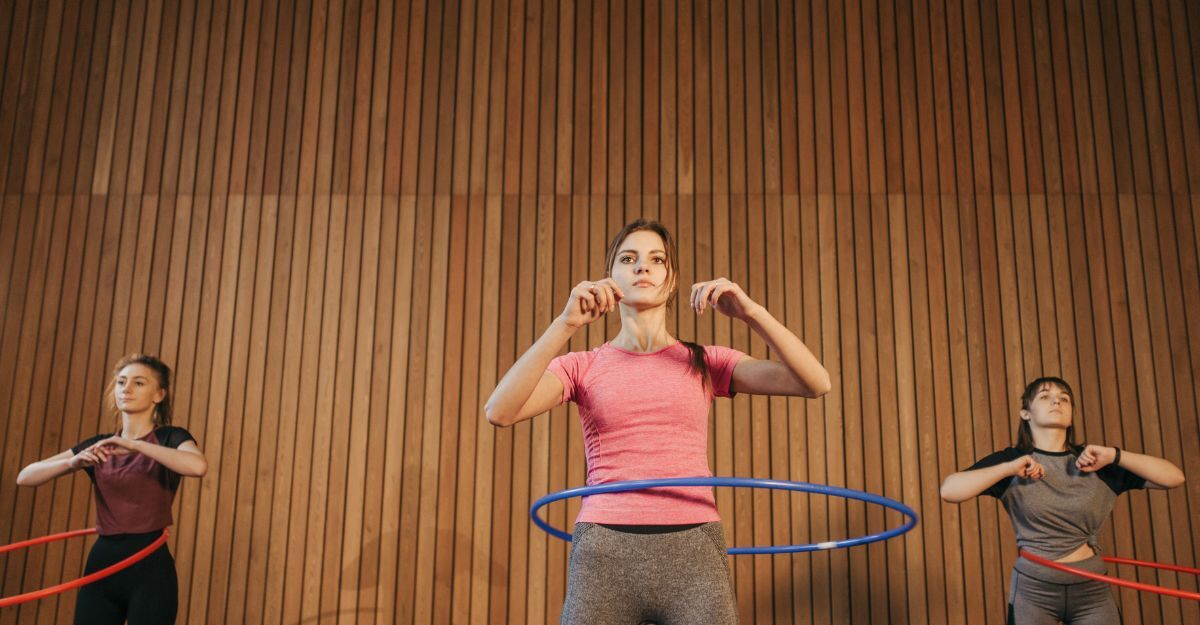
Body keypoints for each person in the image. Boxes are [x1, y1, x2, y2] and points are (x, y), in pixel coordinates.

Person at [485, 219, 831, 624]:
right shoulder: (583, 365)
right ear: (610, 277)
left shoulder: (706, 361)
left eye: (657, 259)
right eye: (628, 259)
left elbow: (815, 382)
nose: (642, 267)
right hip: (604, 551)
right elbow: (499, 411)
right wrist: (565, 324)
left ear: (672, 280)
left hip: (695, 548)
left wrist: (751, 313)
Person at [940, 376, 1185, 624]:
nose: (1056, 401)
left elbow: (1175, 478)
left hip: (1091, 588)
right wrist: (1008, 469)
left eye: (1064, 398)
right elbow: (949, 491)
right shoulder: (1013, 460)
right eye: (1045, 396)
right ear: (1025, 413)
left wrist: (1114, 455)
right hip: (1033, 589)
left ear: (1071, 415)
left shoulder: (1096, 460)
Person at [17, 354, 207, 625]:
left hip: (150, 569)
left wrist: (135, 445)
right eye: (121, 382)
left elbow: (198, 466)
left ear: (159, 394)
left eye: (138, 383)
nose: (126, 389)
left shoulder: (170, 438)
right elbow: (25, 477)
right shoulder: (99, 446)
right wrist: (72, 463)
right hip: (102, 563)